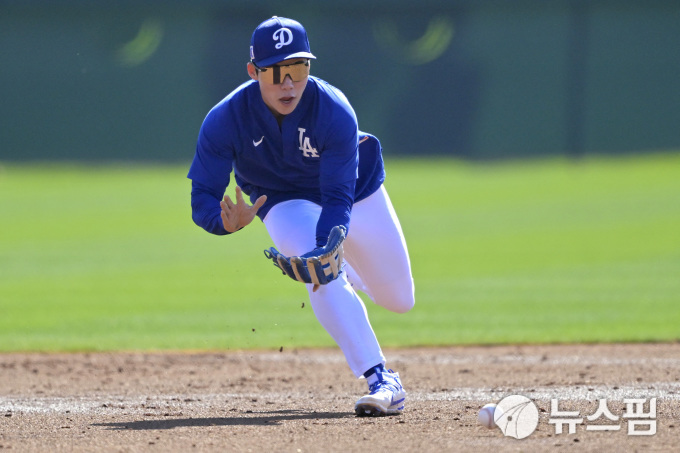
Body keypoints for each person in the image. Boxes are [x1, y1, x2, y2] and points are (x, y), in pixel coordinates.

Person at [187, 16, 415, 416]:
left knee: (398, 300)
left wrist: (328, 243)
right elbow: (202, 197)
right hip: (282, 200)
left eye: (298, 68)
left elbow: (338, 195)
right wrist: (224, 223)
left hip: (356, 194)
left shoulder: (333, 110)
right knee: (320, 273)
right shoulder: (225, 119)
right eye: (276, 72)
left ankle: (344, 271)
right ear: (253, 72)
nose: (288, 82)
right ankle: (382, 379)